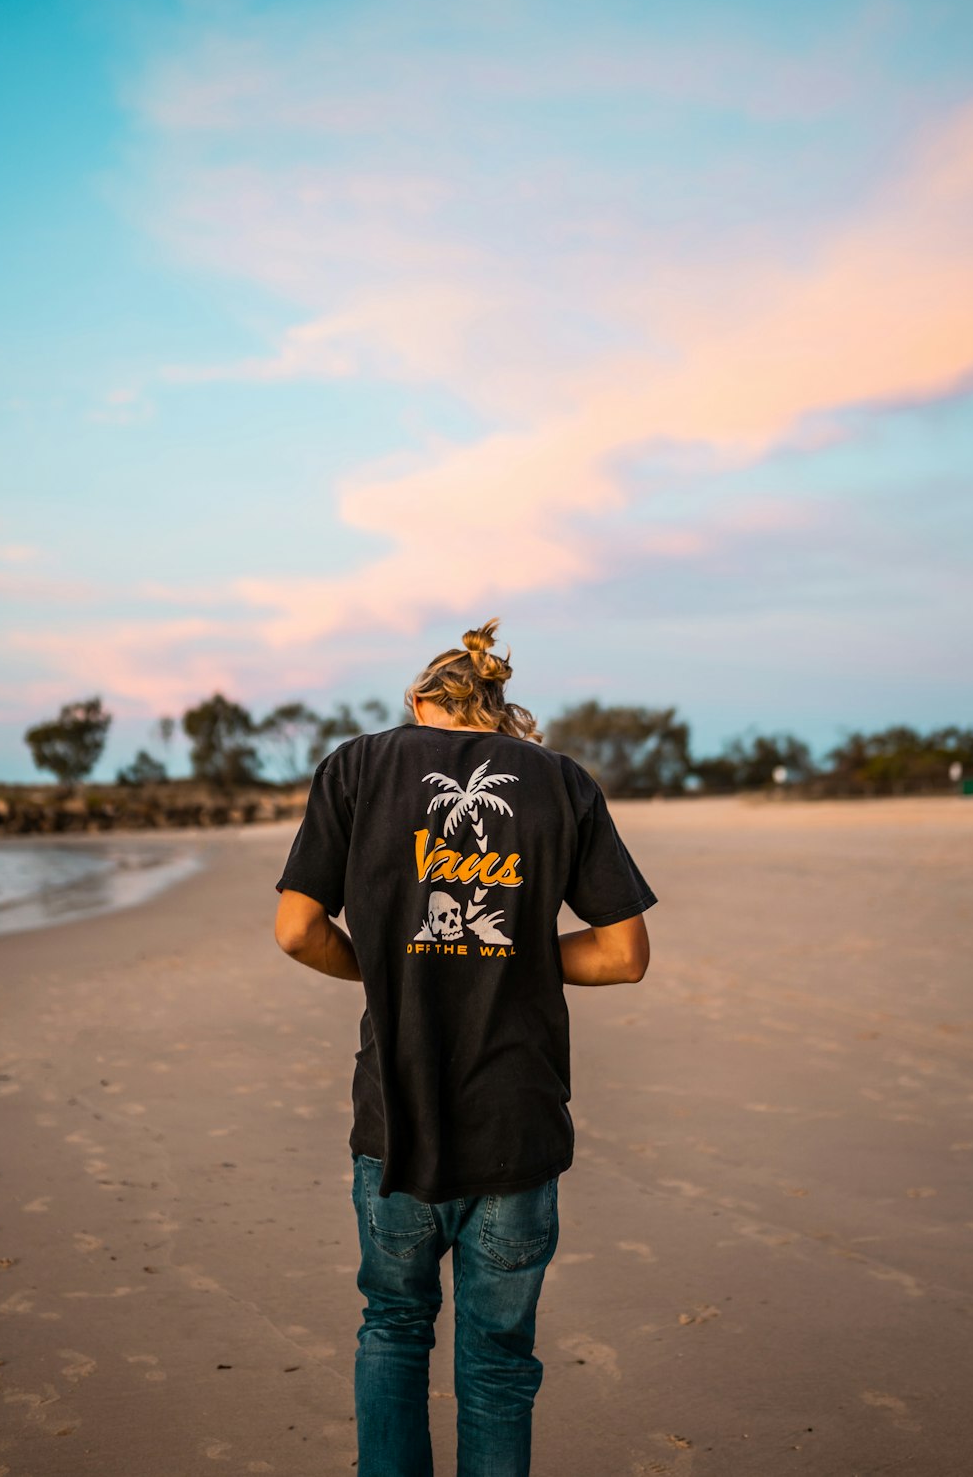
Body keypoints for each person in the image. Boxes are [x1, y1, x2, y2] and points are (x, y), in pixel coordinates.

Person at [273, 618, 657, 1477]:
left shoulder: (358, 767)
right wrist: (517, 955)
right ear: (500, 713)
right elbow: (624, 955)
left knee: (395, 1332)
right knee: (497, 1364)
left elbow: (297, 931)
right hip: (516, 1128)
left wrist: (386, 967)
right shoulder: (562, 782)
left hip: (397, 1123)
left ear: (418, 701)